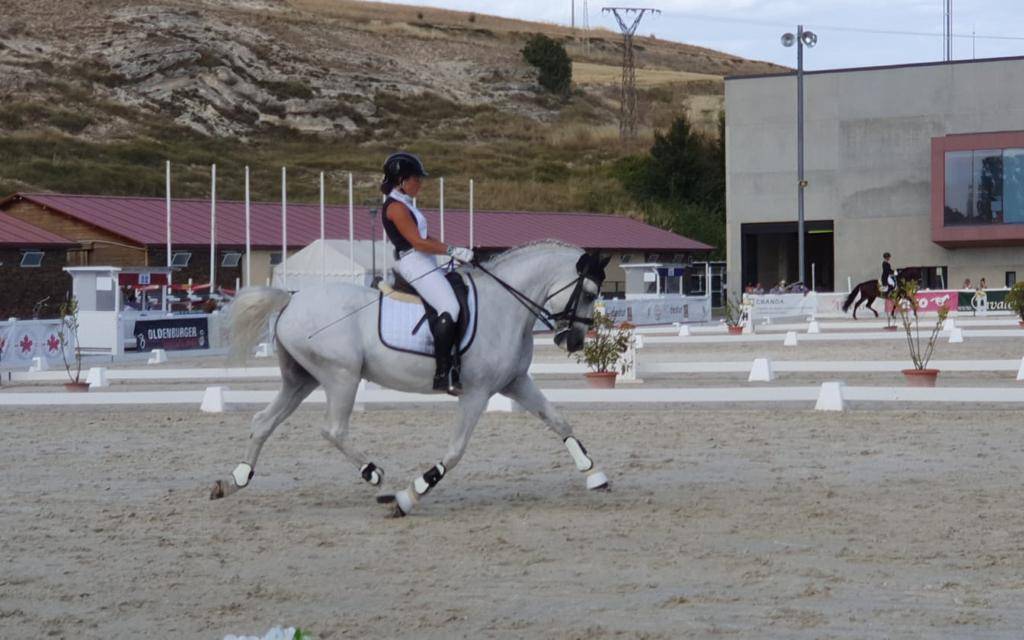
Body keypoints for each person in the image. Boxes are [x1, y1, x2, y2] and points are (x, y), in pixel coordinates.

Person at [380, 151, 474, 395]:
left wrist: (453, 249)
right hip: (414, 262)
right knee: (449, 307)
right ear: (402, 180)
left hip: (423, 260)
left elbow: (425, 238)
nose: (420, 183)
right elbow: (417, 242)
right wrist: (451, 250)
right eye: (416, 178)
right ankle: (443, 373)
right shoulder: (396, 208)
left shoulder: (405, 204)